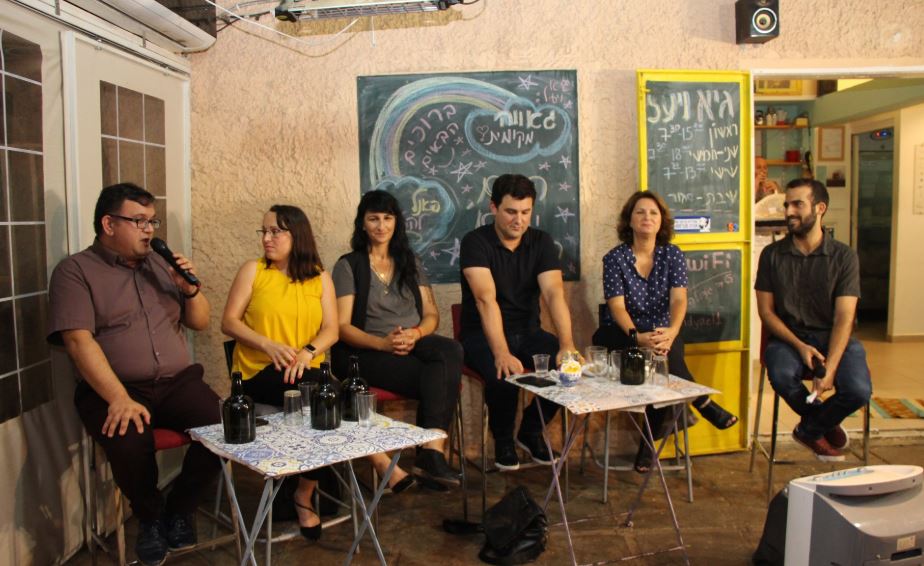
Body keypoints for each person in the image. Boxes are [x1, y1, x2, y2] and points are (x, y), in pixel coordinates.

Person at [47, 183, 220, 566]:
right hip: (114, 387)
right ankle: (150, 517)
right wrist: (118, 398)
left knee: (225, 427)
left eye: (152, 221)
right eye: (139, 221)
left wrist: (190, 290)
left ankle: (180, 508)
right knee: (128, 438)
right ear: (109, 224)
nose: (149, 230)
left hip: (177, 382)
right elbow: (77, 341)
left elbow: (201, 322)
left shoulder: (160, 264)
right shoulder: (75, 272)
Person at [221, 204, 414, 541]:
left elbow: (331, 330)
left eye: (275, 231)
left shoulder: (319, 276)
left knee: (326, 398)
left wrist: (308, 351)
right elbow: (229, 322)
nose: (266, 238)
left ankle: (304, 494)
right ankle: (380, 461)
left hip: (306, 370)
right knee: (330, 396)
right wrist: (268, 344)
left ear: (297, 235)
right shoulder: (253, 271)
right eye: (264, 231)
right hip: (260, 372)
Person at [592, 191, 739, 473]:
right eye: (640, 212)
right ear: (629, 220)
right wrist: (637, 337)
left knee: (666, 364)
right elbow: (616, 306)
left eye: (653, 213)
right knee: (666, 368)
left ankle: (648, 445)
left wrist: (672, 331)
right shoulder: (614, 258)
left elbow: (679, 300)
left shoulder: (672, 254)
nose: (647, 217)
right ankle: (703, 402)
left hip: (662, 332)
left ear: (662, 221)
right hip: (623, 333)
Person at [331, 190, 463, 487]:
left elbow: (431, 314)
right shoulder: (348, 265)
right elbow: (341, 326)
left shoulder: (410, 262)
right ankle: (431, 456)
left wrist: (416, 333)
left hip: (412, 340)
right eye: (373, 219)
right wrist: (383, 343)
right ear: (362, 223)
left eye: (387, 218)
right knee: (437, 378)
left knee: (451, 350)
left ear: (396, 222)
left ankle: (432, 450)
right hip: (366, 350)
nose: (381, 226)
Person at [460, 173, 579, 471]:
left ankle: (531, 430)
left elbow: (554, 294)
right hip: (481, 335)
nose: (519, 220)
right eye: (511, 212)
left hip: (528, 332)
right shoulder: (475, 242)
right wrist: (501, 352)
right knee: (503, 374)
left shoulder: (541, 242)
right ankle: (503, 440)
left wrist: (567, 345)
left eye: (526, 212)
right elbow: (485, 300)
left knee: (569, 370)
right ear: (493, 208)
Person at [755, 179, 871, 462]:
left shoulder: (844, 256)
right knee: (782, 376)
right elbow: (766, 313)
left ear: (820, 208)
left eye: (797, 204)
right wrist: (800, 345)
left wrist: (830, 367)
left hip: (833, 336)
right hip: (788, 338)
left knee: (858, 391)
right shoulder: (772, 255)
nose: (789, 212)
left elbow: (845, 317)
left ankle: (809, 429)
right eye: (787, 205)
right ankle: (823, 423)